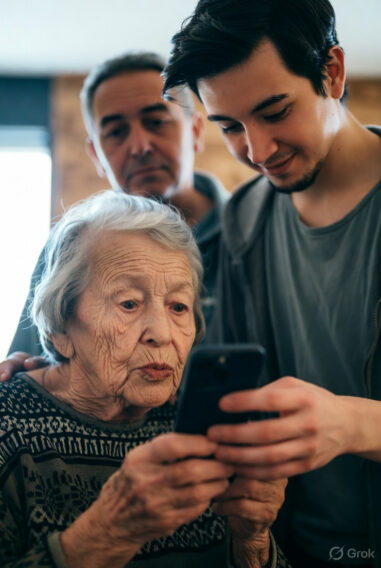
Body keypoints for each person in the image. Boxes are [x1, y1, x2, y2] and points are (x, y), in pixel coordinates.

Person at [163, 0, 381, 567]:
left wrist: (355, 423)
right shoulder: (243, 223)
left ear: (331, 73)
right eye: (231, 126)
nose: (257, 152)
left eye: (275, 111)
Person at [0, 189, 289, 567]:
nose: (163, 333)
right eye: (129, 303)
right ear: (60, 329)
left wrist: (252, 542)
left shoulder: (199, 426)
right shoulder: (10, 432)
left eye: (178, 307)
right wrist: (107, 534)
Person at [2, 51, 229, 374]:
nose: (139, 146)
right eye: (116, 132)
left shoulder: (254, 228)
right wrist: (24, 370)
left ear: (194, 132)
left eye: (156, 122)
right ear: (96, 153)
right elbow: (37, 354)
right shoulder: (68, 250)